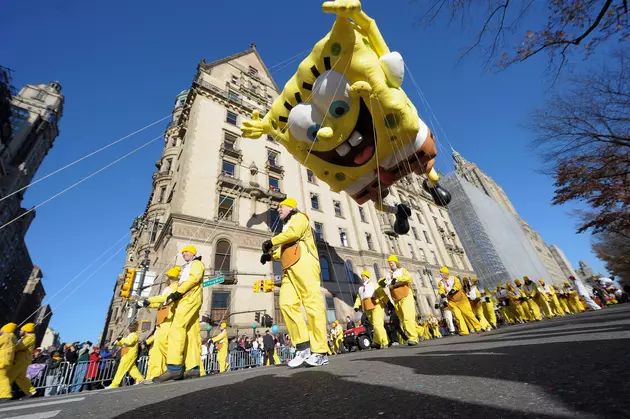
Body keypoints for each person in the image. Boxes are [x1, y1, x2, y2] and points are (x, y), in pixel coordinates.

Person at [260, 198, 328, 367]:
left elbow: (294, 235)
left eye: (280, 206)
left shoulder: (300, 218)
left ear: (291, 207)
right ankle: (303, 347)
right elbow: (286, 248)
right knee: (286, 304)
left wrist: (272, 242)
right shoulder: (287, 226)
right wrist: (270, 255)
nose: (278, 210)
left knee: (313, 305)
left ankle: (320, 351)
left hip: (305, 264)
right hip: (289, 269)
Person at [154, 245, 205, 383]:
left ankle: (174, 368)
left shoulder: (196, 264)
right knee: (191, 333)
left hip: (189, 298)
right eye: (183, 253)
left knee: (177, 328)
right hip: (187, 298)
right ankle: (193, 368)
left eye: (187, 252)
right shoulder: (187, 267)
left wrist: (179, 292)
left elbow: (195, 278)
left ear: (193, 253)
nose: (184, 254)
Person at [140, 266, 181, 382]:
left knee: (165, 344)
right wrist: (148, 304)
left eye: (168, 275)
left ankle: (176, 368)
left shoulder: (175, 287)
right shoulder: (167, 288)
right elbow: (162, 303)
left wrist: (150, 300)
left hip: (169, 319)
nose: (166, 277)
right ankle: (153, 376)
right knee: (157, 350)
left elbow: (165, 299)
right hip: (162, 320)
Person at [379, 255, 418, 345]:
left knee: (408, 317)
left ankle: (413, 338)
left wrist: (397, 280)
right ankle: (416, 332)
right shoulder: (388, 274)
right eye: (389, 263)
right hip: (396, 298)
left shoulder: (402, 270)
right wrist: (381, 282)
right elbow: (384, 281)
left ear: (396, 262)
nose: (390, 264)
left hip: (406, 295)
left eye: (392, 262)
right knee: (403, 318)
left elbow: (408, 278)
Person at [438, 267, 481, 335]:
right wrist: (442, 294)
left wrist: (453, 289)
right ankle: (463, 331)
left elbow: (458, 284)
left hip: (461, 299)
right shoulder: (440, 282)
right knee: (457, 316)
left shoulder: (453, 278)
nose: (440, 274)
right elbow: (440, 289)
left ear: (446, 273)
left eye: (442, 272)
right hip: (452, 302)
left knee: (468, 314)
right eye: (440, 272)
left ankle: (478, 327)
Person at [354, 271, 389, 348]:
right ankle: (380, 341)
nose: (362, 278)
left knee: (377, 324)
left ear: (367, 276)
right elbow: (359, 297)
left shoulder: (373, 284)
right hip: (367, 307)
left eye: (364, 276)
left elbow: (381, 292)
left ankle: (381, 341)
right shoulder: (360, 288)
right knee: (375, 325)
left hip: (376, 305)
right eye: (362, 276)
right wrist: (356, 305)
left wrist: (388, 302)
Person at [105, 323, 144, 389]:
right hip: (126, 354)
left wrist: (122, 339)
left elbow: (129, 342)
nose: (126, 330)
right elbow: (123, 344)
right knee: (131, 368)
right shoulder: (129, 336)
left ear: (129, 329)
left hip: (129, 354)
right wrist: (117, 343)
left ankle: (114, 384)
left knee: (121, 369)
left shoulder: (134, 335)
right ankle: (140, 379)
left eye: (127, 329)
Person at [8, 323, 37, 399]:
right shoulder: (25, 337)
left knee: (10, 375)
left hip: (22, 360)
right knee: (20, 377)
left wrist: (10, 344)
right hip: (22, 359)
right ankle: (31, 392)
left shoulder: (30, 337)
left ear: (26, 330)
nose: (20, 331)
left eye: (21, 330)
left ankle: (4, 394)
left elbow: (20, 346)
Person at [0, 323, 17, 403]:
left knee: (2, 378)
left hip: (2, 360)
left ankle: (6, 395)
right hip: (8, 360)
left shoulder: (6, 336)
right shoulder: (13, 338)